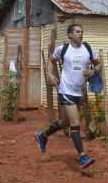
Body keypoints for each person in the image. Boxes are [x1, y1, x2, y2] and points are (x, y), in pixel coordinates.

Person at [35, 24, 101, 169]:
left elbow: (98, 64)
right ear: (70, 35)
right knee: (75, 123)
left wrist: (93, 71)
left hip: (79, 92)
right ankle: (83, 156)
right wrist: (50, 75)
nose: (80, 34)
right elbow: (50, 61)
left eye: (82, 32)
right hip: (65, 90)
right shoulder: (63, 49)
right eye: (77, 32)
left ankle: (43, 135)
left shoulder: (88, 49)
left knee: (64, 122)